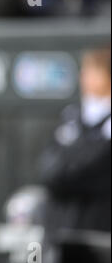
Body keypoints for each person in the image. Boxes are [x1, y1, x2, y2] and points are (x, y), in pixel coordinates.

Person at [39, 45, 111, 234]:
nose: (83, 76)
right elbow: (49, 170)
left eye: (91, 70)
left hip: (100, 232)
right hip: (61, 230)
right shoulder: (71, 116)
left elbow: (94, 171)